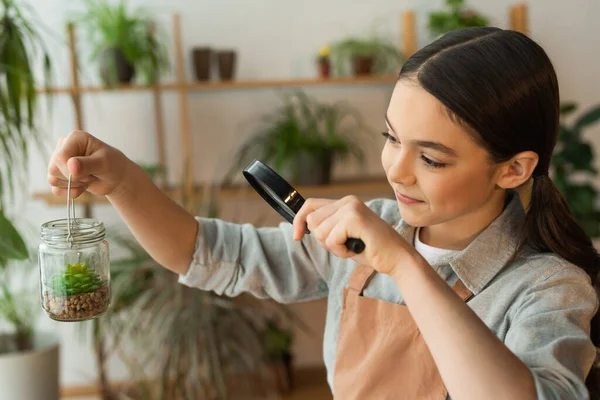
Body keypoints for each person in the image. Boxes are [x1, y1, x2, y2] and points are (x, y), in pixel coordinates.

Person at [48, 27, 600, 399]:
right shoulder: (363, 234)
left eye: (430, 157)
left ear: (513, 168)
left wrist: (406, 265)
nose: (397, 170)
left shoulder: (549, 287)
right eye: (391, 138)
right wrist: (123, 181)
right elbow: (209, 254)